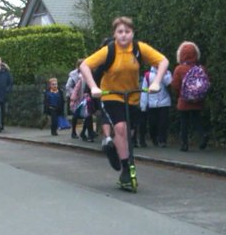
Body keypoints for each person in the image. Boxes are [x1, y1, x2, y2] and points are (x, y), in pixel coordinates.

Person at [80, 16, 169, 191]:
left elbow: (163, 61)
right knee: (120, 128)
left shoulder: (138, 48)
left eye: (127, 32)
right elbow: (84, 65)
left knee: (129, 133)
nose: (123, 35)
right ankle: (126, 170)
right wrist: (93, 87)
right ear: (114, 34)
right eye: (120, 32)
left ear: (132, 33)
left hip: (132, 97)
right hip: (111, 95)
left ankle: (113, 149)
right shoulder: (108, 50)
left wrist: (156, 82)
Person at [171, 41, 208, 151]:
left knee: (184, 123)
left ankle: (184, 144)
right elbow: (206, 83)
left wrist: (180, 95)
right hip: (198, 100)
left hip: (184, 101)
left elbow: (175, 85)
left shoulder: (179, 69)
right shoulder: (201, 68)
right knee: (197, 120)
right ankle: (202, 135)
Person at [140, 64, 172, 147]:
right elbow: (144, 90)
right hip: (152, 103)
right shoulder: (148, 75)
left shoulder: (167, 73)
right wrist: (143, 104)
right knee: (152, 123)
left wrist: (163, 74)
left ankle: (162, 140)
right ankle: (154, 138)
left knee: (163, 122)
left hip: (164, 102)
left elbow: (169, 83)